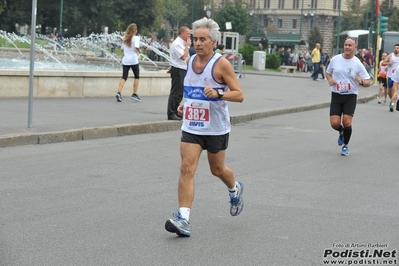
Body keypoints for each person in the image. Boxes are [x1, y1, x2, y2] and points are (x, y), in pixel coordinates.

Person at [164, 17, 245, 237]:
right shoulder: (190, 61)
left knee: (217, 169)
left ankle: (234, 188)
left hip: (216, 128)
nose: (197, 43)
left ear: (213, 42)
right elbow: (192, 90)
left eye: (202, 39)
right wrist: (183, 105)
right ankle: (183, 218)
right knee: (186, 169)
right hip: (192, 126)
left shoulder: (221, 64)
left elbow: (239, 95)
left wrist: (219, 93)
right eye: (194, 39)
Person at [325, 37, 371, 156]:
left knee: (346, 121)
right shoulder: (335, 59)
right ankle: (341, 132)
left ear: (355, 48)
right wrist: (330, 79)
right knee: (334, 123)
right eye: (346, 45)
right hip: (336, 95)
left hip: (350, 96)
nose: (347, 47)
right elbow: (328, 72)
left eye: (350, 45)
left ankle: (345, 146)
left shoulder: (357, 63)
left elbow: (368, 82)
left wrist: (360, 82)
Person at [167, 26, 192, 120]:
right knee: (175, 91)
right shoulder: (177, 43)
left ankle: (176, 111)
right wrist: (188, 46)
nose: (189, 35)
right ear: (182, 33)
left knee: (180, 92)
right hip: (178, 69)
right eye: (188, 33)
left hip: (182, 68)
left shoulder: (183, 43)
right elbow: (183, 57)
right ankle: (171, 113)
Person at [115, 23, 142, 103]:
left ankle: (119, 92)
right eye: (136, 29)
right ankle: (134, 94)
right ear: (134, 31)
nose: (137, 31)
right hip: (134, 60)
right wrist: (139, 51)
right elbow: (137, 46)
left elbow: (122, 50)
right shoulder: (136, 38)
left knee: (124, 77)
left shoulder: (125, 39)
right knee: (136, 77)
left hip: (126, 60)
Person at [381, 44, 399, 112]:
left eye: (397, 48)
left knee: (395, 91)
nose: (396, 49)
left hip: (397, 77)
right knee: (389, 92)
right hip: (391, 76)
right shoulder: (391, 56)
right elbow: (383, 63)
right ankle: (393, 100)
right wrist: (389, 63)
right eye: (395, 48)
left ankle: (392, 104)